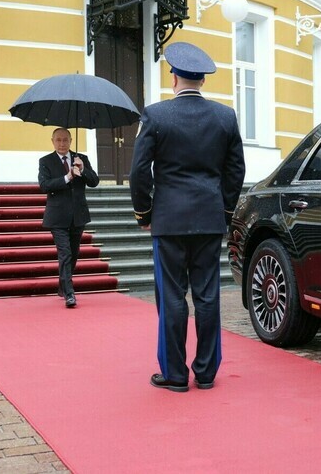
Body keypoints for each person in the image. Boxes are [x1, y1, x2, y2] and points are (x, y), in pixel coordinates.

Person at [130, 41, 245, 393]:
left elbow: (138, 172)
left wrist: (144, 212)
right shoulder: (225, 116)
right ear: (203, 81)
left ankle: (175, 374)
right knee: (208, 296)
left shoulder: (156, 114)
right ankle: (207, 372)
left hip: (169, 220)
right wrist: (224, 211)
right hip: (209, 219)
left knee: (172, 296)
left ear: (174, 77)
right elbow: (236, 170)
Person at [38, 128, 100, 308]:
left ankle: (62, 285)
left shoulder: (81, 158)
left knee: (73, 254)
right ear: (52, 141)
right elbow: (44, 185)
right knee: (64, 253)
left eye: (65, 140)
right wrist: (67, 177)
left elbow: (94, 181)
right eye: (58, 140)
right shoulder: (46, 161)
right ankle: (70, 293)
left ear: (71, 140)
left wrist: (83, 169)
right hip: (57, 217)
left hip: (78, 215)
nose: (62, 144)